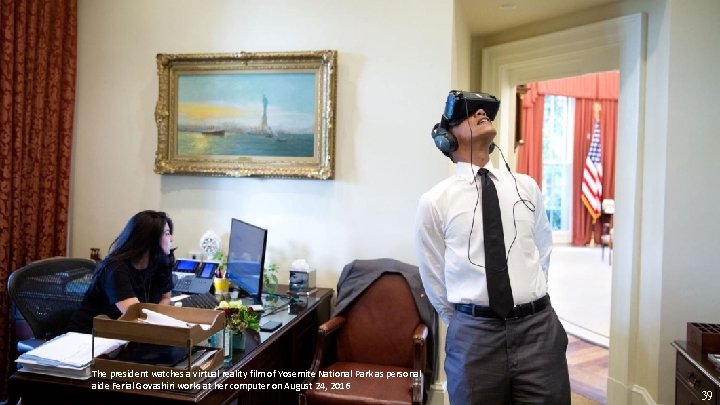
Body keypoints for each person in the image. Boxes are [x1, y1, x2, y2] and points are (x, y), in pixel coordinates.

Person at [415, 90, 570, 404]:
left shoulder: (527, 187)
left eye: (485, 111)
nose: (481, 114)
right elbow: (433, 279)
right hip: (475, 339)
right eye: (468, 114)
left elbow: (543, 251)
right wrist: (469, 321)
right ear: (446, 138)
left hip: (538, 331)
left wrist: (529, 300)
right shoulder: (435, 202)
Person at [66, 210, 175, 334]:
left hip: (126, 334)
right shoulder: (115, 269)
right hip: (89, 337)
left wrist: (159, 319)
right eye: (167, 233)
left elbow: (165, 297)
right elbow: (135, 315)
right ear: (149, 239)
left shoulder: (161, 263)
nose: (171, 239)